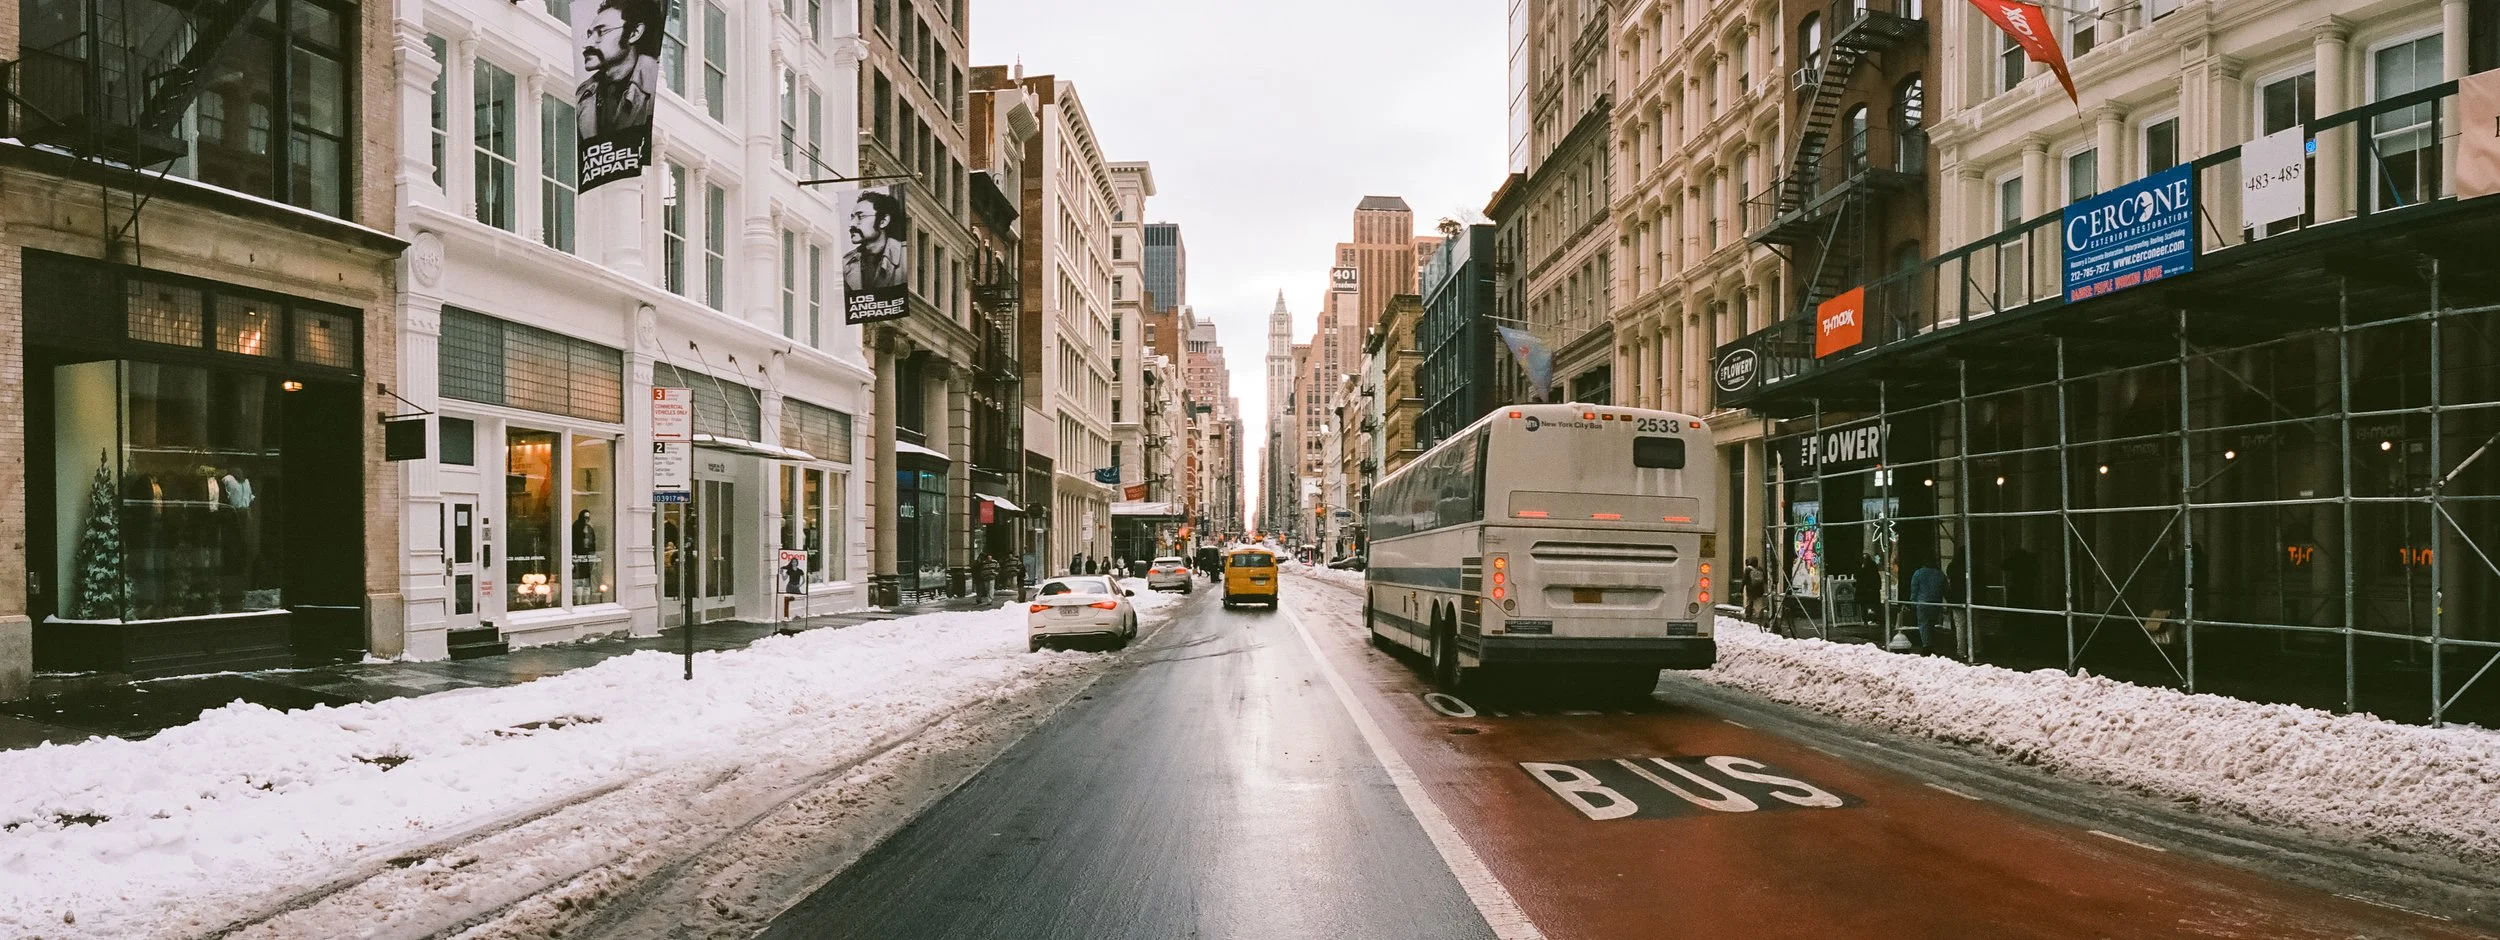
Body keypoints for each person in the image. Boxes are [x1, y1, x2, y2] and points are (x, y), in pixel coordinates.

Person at [575, 0, 661, 140]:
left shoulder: (654, 89)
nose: (587, 44)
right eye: (589, 35)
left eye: (601, 32)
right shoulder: (582, 94)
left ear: (634, 33)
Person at [845, 190, 908, 291]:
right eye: (852, 218)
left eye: (860, 217)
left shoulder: (906, 256)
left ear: (883, 221)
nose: (851, 224)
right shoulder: (846, 262)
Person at [1909, 561, 1945, 654]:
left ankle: (1926, 645)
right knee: (1932, 624)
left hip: (1922, 602)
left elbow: (1914, 589)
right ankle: (1932, 643)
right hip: (1936, 602)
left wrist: (1913, 601)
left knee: (1923, 624)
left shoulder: (1918, 573)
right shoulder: (1940, 574)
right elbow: (1945, 588)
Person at [1741, 557, 1767, 624]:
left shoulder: (1748, 569)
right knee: (1759, 603)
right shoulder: (1760, 569)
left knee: (1749, 602)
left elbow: (1744, 580)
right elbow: (1765, 579)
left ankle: (1748, 615)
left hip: (1750, 589)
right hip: (1760, 590)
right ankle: (1759, 615)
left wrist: (1741, 588)